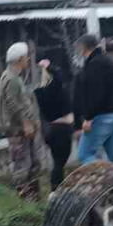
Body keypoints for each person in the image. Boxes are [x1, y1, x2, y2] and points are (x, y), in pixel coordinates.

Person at [72, 34, 113, 166]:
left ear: (83, 48)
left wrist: (88, 118)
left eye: (78, 48)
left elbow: (96, 94)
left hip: (100, 118)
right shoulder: (109, 62)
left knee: (85, 155)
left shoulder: (93, 66)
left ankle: (105, 173)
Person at [0, 42, 42, 201]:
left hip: (22, 129)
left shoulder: (12, 76)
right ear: (19, 59)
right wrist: (26, 123)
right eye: (26, 57)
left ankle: (33, 199)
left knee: (32, 164)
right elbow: (12, 103)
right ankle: (25, 201)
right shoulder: (11, 79)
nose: (28, 59)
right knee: (22, 166)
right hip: (18, 130)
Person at [34, 57, 74, 191]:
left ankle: (58, 188)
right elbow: (59, 75)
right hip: (62, 129)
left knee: (58, 162)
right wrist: (48, 66)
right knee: (59, 163)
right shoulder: (54, 88)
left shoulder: (40, 92)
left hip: (51, 130)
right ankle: (55, 189)